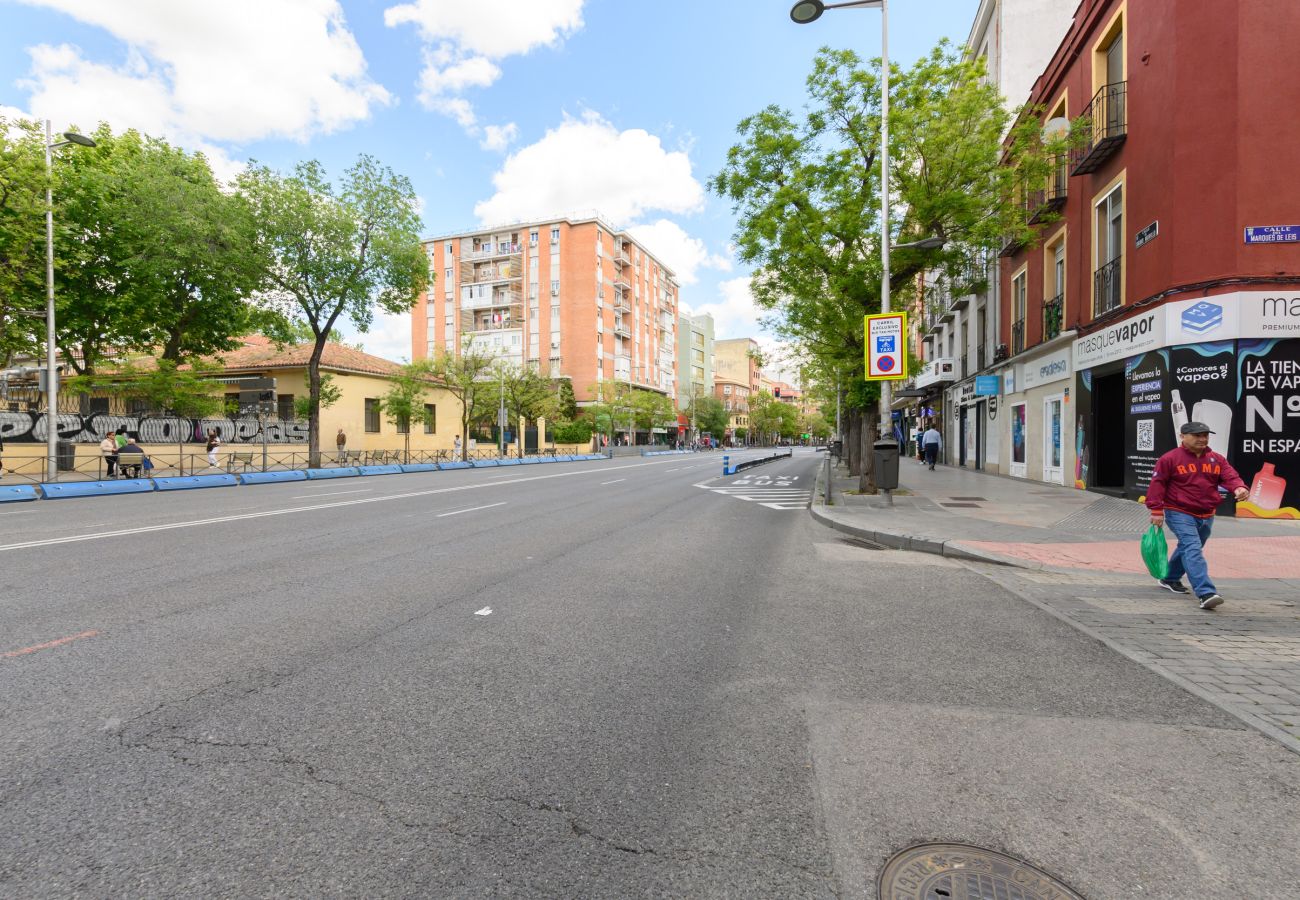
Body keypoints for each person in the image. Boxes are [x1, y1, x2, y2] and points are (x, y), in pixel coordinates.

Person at [1146, 421, 1248, 610]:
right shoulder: (1169, 459)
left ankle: (1170, 578)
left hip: (1207, 513)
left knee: (1189, 547)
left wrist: (1240, 488)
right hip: (1179, 511)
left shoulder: (1216, 459)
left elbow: (1230, 477)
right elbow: (1157, 484)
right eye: (1197, 435)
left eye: (1205, 435)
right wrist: (1156, 510)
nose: (1202, 439)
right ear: (1183, 436)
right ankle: (1206, 592)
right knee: (1192, 548)